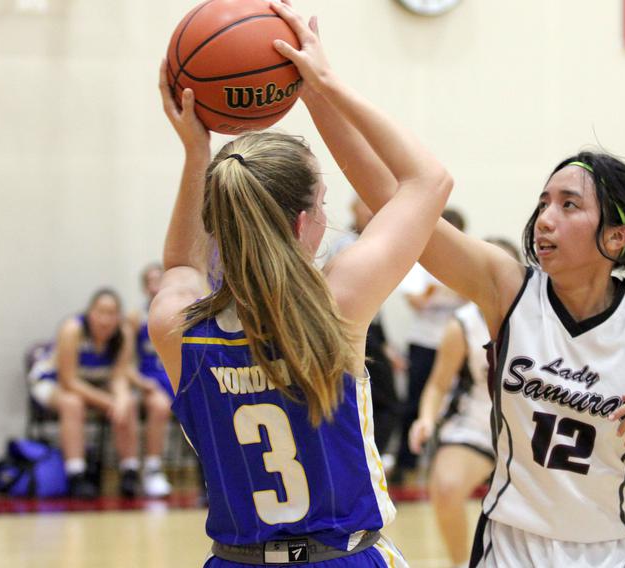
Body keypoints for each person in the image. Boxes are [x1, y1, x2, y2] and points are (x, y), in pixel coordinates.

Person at [309, 90, 625, 566]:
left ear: (616, 236)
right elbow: (393, 198)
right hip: (510, 544)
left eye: (569, 206)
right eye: (544, 202)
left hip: (619, 548)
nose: (545, 220)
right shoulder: (506, 289)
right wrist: (318, 89)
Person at [149, 2, 452, 566]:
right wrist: (320, 87)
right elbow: (428, 180)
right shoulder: (336, 305)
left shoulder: (179, 323)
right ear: (300, 224)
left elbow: (179, 267)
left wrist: (197, 150)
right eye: (322, 205)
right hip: (344, 557)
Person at [408, 238, 520, 568]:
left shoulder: (544, 317)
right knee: (445, 487)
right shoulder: (464, 323)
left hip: (537, 429)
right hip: (482, 424)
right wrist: (426, 418)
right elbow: (438, 385)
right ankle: (461, 564)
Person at [29, 288, 140, 498]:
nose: (106, 320)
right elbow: (68, 381)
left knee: (129, 403)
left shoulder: (124, 334)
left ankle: (129, 472)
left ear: (118, 316)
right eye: (101, 312)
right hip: (52, 381)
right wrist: (109, 402)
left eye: (112, 313)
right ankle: (76, 474)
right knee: (73, 403)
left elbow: (118, 377)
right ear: (90, 313)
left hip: (94, 383)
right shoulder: (73, 329)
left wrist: (122, 399)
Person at [321, 198, 402, 458]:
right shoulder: (349, 246)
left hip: (369, 330)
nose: (370, 212)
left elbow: (378, 304)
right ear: (353, 210)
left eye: (372, 207)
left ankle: (371, 452)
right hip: (347, 329)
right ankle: (364, 454)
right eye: (364, 207)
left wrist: (386, 344)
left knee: (381, 399)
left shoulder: (369, 245)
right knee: (359, 398)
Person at [393, 208, 468, 481]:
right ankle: (406, 462)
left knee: (457, 404)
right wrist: (448, 289)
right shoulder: (417, 261)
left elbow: (473, 293)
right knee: (414, 403)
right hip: (423, 342)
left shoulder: (466, 262)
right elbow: (418, 301)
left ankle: (449, 459)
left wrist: (445, 289)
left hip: (457, 342)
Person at [126, 262, 174, 498]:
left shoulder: (181, 311)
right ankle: (153, 468)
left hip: (177, 376)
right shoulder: (136, 317)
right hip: (150, 380)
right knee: (159, 406)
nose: (156, 286)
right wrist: (139, 383)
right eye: (150, 281)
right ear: (145, 288)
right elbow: (124, 364)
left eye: (160, 280)